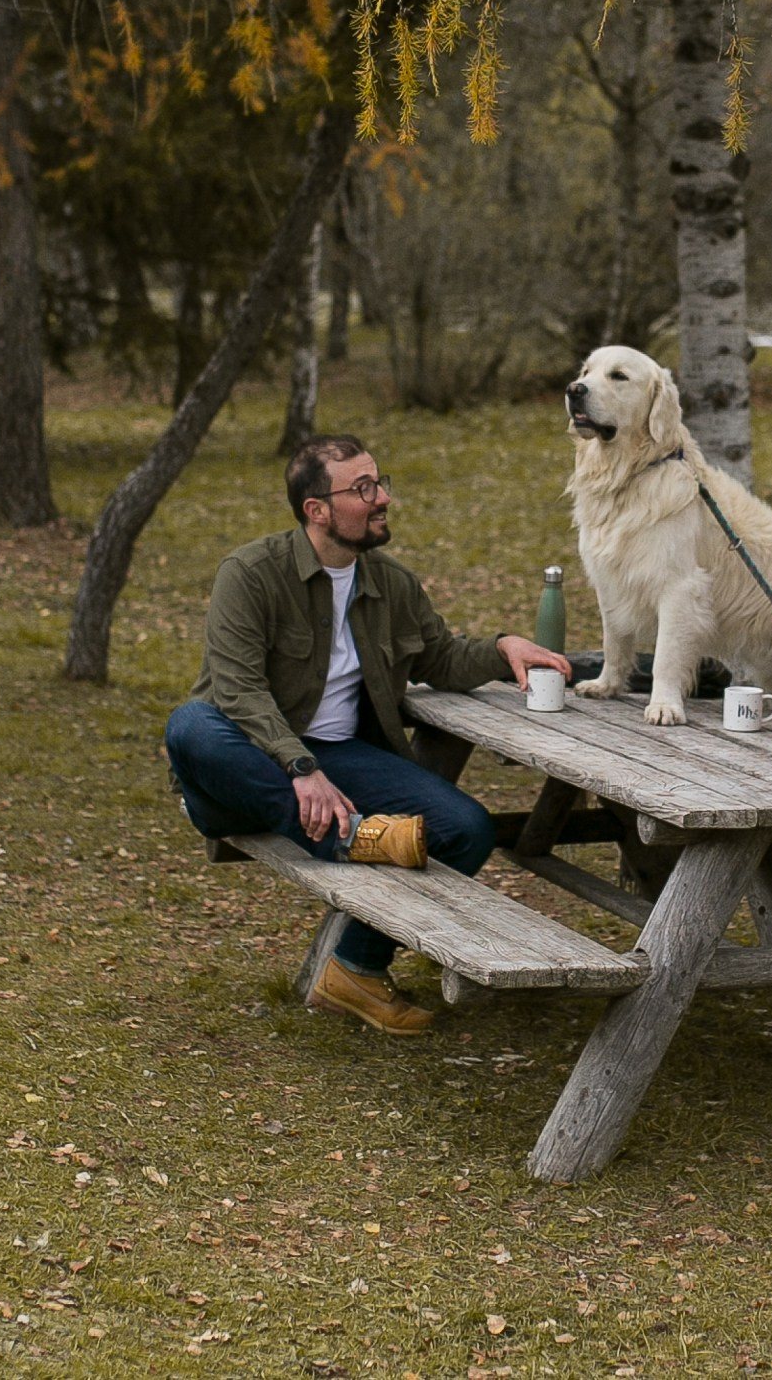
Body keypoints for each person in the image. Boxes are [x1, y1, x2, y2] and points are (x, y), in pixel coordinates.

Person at [164, 433, 571, 1038]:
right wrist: (302, 771)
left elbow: (439, 657)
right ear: (317, 510)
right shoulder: (249, 574)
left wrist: (501, 647)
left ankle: (355, 968)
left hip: (342, 759)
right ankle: (354, 836)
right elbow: (238, 691)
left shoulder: (390, 584)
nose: (381, 498)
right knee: (189, 725)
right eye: (362, 489)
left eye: (379, 483)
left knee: (467, 827)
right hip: (245, 763)